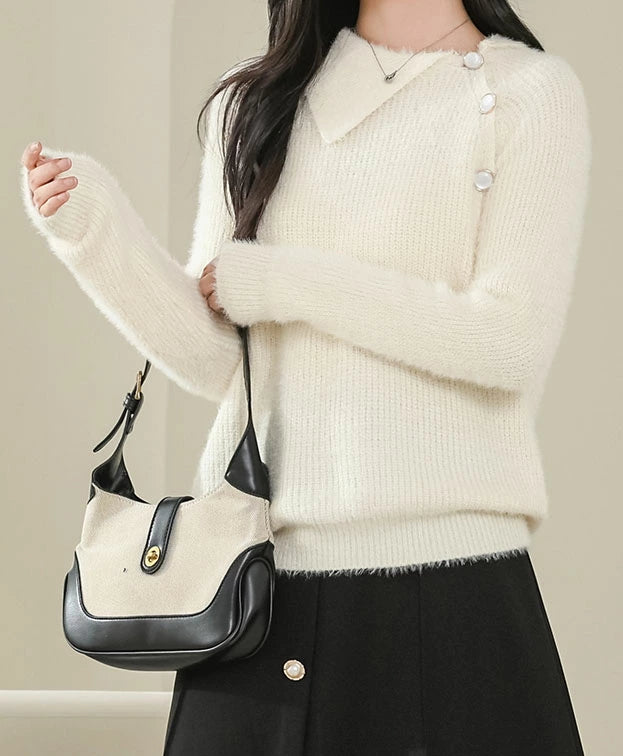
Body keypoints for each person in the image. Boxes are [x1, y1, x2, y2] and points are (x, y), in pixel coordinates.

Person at [19, 1, 591, 754]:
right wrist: (94, 230)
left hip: (454, 598)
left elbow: (507, 341)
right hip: (258, 593)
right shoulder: (256, 100)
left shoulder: (530, 92)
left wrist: (284, 282)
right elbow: (221, 360)